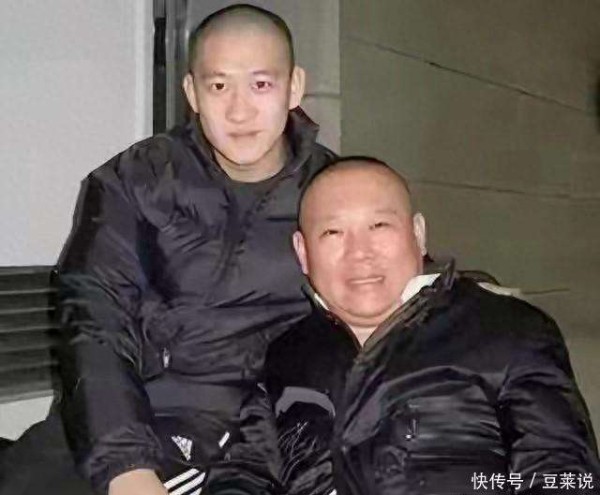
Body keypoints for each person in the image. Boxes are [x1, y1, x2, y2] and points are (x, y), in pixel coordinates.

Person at [0, 4, 334, 495]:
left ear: (295, 87)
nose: (239, 111)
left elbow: (396, 299)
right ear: (191, 92)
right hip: (124, 412)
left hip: (252, 437)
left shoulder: (335, 193)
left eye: (261, 84)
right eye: (218, 86)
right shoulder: (136, 179)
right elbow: (94, 317)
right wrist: (126, 467)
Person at [211, 157, 600, 495]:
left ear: (418, 234)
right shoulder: (286, 355)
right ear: (302, 252)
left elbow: (561, 472)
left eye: (379, 225)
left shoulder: (508, 329)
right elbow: (244, 472)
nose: (359, 253)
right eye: (333, 232)